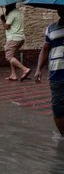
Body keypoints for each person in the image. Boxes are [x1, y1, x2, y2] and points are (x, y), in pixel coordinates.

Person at [34, 8, 64, 136]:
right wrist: (38, 69)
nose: (61, 11)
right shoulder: (51, 29)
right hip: (56, 74)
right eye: (60, 9)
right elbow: (45, 49)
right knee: (57, 108)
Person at [1, 3, 31, 81]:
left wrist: (3, 20)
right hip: (20, 38)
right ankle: (13, 75)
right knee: (12, 56)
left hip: (13, 38)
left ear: (9, 6)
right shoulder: (19, 12)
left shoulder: (11, 13)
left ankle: (25, 69)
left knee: (9, 57)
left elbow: (7, 26)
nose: (5, 7)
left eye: (6, 6)